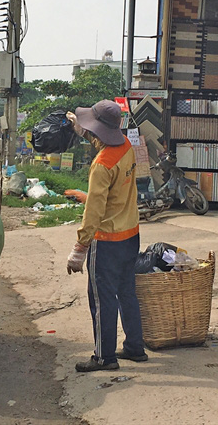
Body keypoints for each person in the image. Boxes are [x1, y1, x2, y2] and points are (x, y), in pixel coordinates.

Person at [65, 99, 147, 372]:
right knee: (127, 293)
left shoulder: (101, 165)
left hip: (108, 240)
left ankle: (104, 357)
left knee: (101, 299)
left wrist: (80, 246)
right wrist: (81, 128)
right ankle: (135, 347)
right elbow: (111, 196)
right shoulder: (126, 147)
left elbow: (95, 211)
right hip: (130, 234)